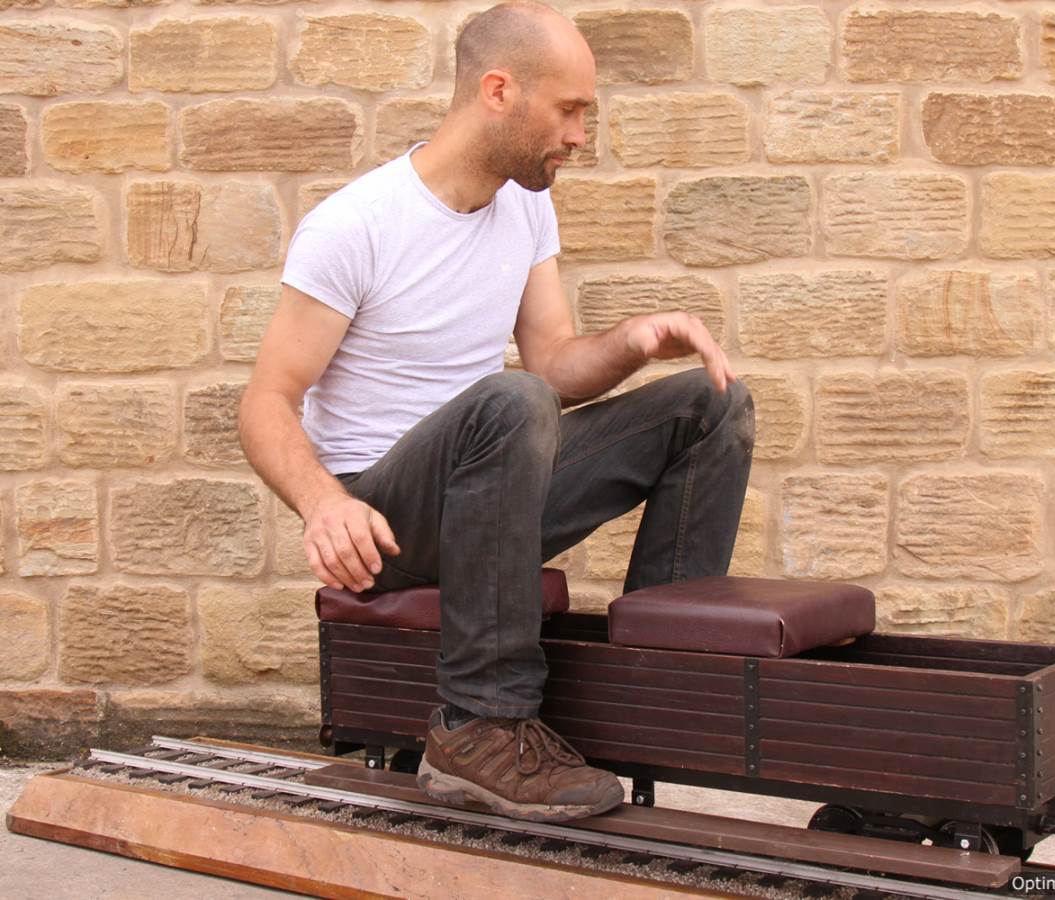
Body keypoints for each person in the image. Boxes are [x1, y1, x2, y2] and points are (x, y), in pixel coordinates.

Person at [238, 1, 754, 823]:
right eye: (569, 110)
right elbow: (266, 400)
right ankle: (481, 726)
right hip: (387, 518)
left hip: (494, 495)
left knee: (711, 403)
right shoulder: (355, 226)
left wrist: (633, 342)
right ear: (499, 91)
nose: (580, 135)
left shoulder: (525, 205)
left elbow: (554, 364)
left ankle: (658, 686)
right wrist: (324, 504)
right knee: (512, 401)